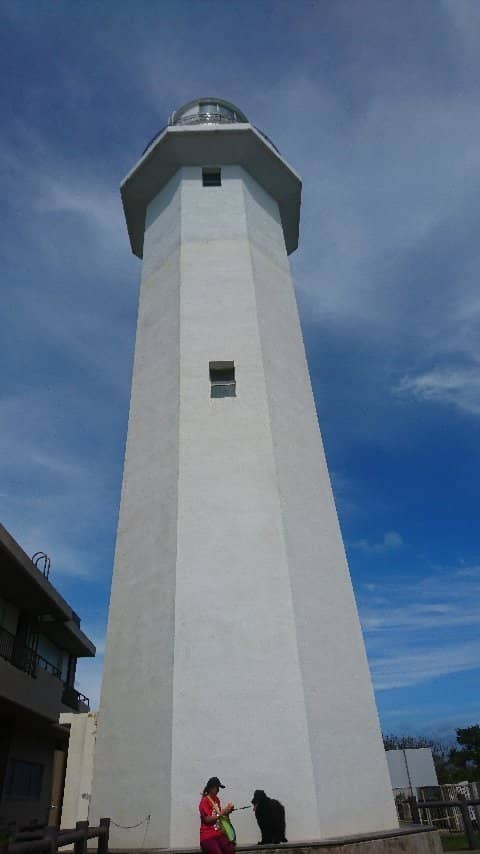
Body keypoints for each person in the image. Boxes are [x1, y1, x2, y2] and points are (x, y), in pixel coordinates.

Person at [199, 776, 235, 854]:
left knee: (230, 850)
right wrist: (222, 813)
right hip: (207, 836)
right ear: (210, 788)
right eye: (217, 788)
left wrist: (227, 812)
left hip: (218, 833)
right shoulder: (204, 801)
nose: (218, 790)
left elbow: (219, 817)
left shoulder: (217, 800)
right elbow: (206, 820)